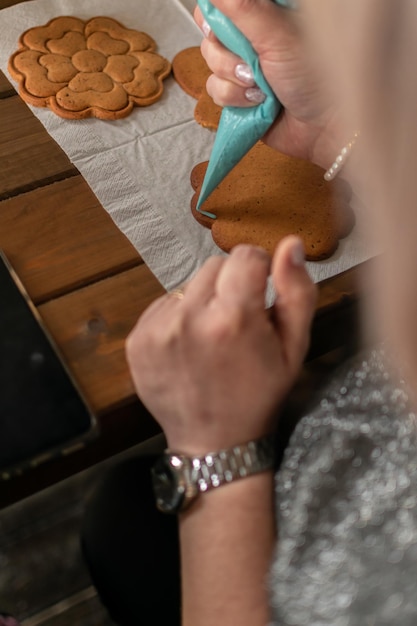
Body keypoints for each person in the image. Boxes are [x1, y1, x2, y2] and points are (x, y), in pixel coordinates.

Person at [81, 0, 417, 624]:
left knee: (123, 517)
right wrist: (328, 122)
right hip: (338, 447)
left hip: (289, 521)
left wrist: (216, 445)